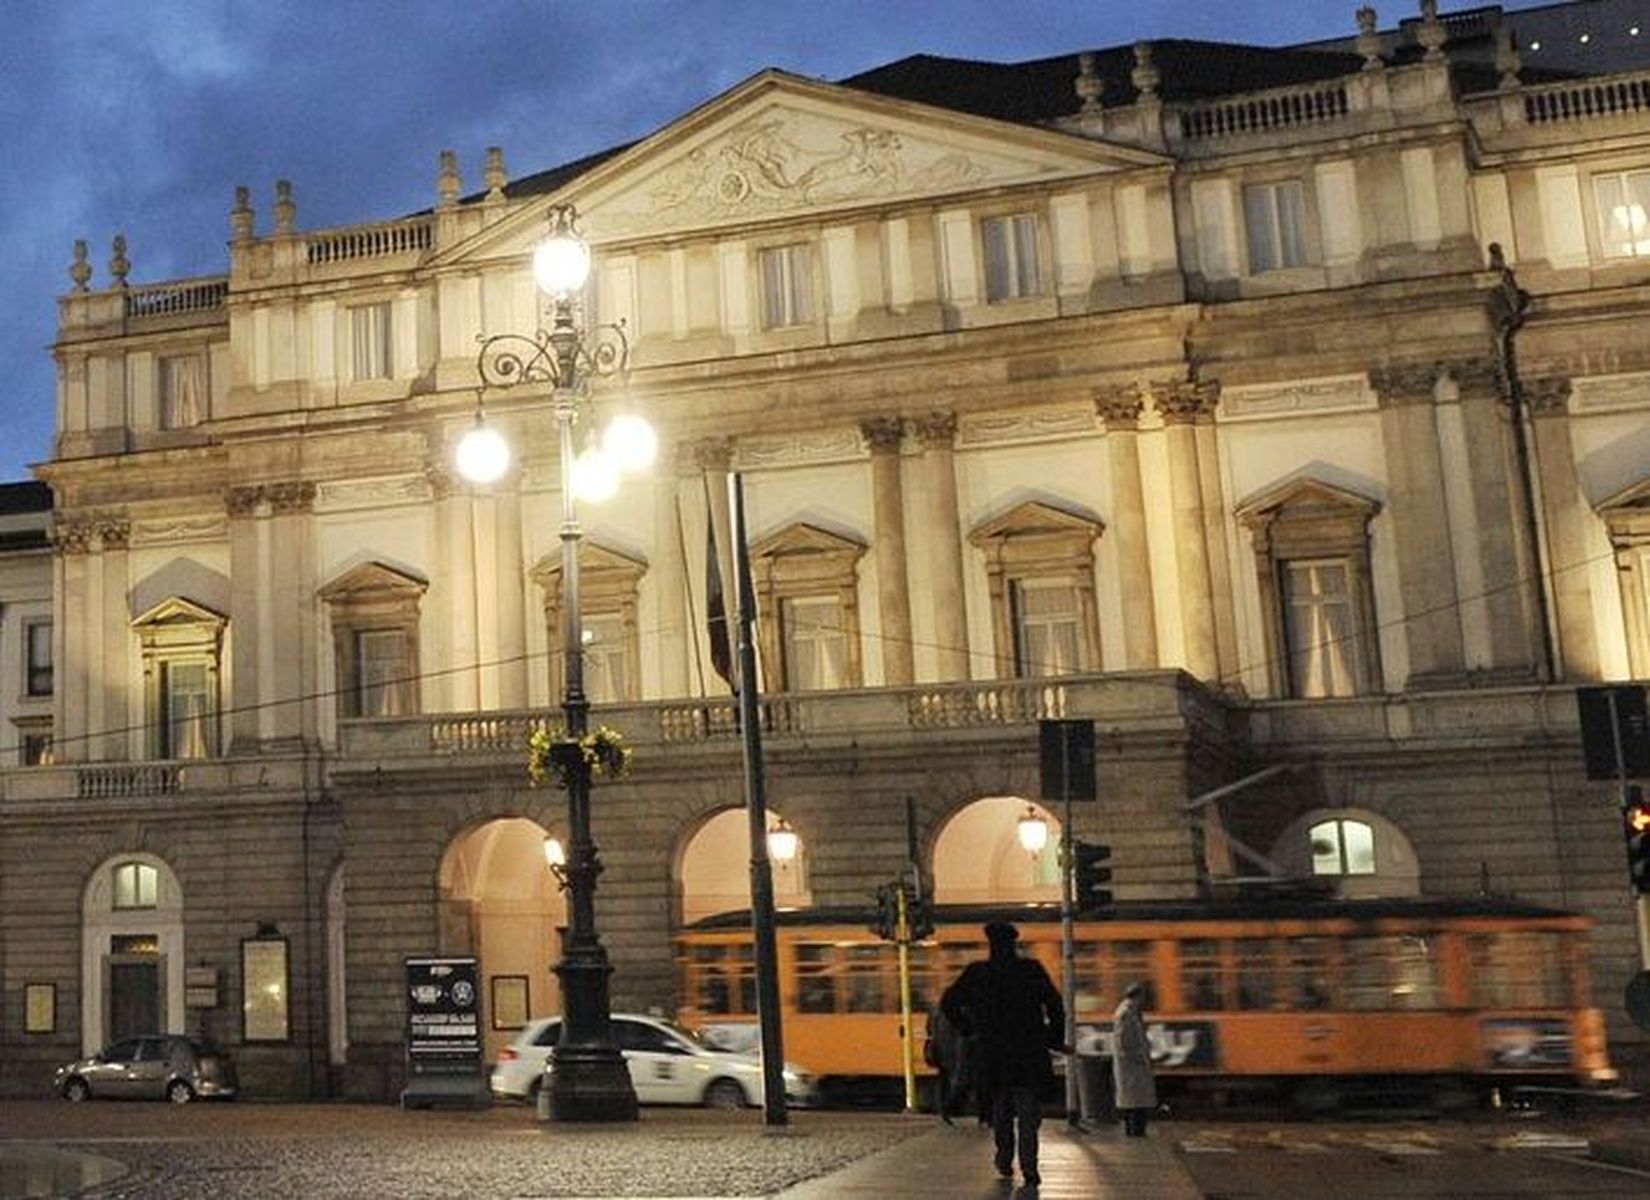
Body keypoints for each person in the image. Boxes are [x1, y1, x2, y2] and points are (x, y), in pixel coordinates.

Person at [941, 921, 1064, 1188]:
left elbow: (948, 1002)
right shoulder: (1031, 970)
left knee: (1001, 1109)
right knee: (1029, 1113)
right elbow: (1055, 1005)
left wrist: (968, 1028)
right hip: (1028, 1055)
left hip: (993, 1055)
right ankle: (1029, 1167)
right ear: (1013, 944)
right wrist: (1053, 1038)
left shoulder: (978, 973)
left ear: (991, 945)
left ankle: (1004, 1157)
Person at [1111, 981, 1157, 1137]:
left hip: (1133, 1063)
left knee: (1136, 1100)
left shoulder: (1130, 1011)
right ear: (1138, 996)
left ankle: (1136, 1131)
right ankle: (1135, 1132)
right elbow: (1125, 1041)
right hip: (1132, 1064)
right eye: (1142, 997)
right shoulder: (1126, 1013)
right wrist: (1139, 1057)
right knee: (1135, 1101)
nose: (1144, 1001)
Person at [924, 1001, 963, 1124]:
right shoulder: (959, 1013)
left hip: (939, 1051)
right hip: (954, 1051)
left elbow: (929, 1030)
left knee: (943, 1080)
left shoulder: (935, 1012)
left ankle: (944, 1109)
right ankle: (949, 1107)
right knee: (956, 1080)